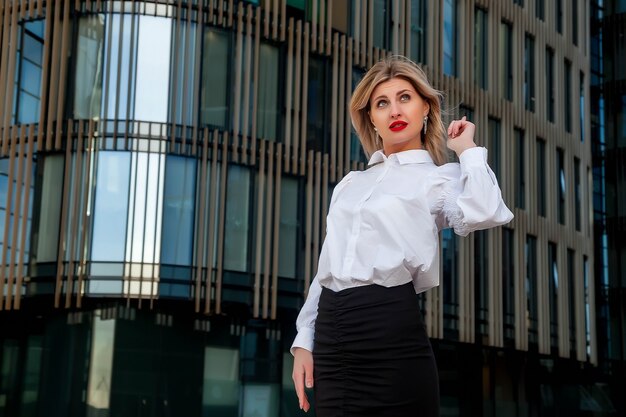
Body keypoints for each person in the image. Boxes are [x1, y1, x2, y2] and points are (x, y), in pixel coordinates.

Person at [290, 55, 514, 417]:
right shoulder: (349, 184)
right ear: (372, 120)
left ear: (426, 107)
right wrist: (304, 340)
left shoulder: (440, 179)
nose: (394, 110)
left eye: (405, 98)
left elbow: (488, 211)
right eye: (382, 103)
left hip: (390, 328)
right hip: (333, 335)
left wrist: (467, 151)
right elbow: (326, 270)